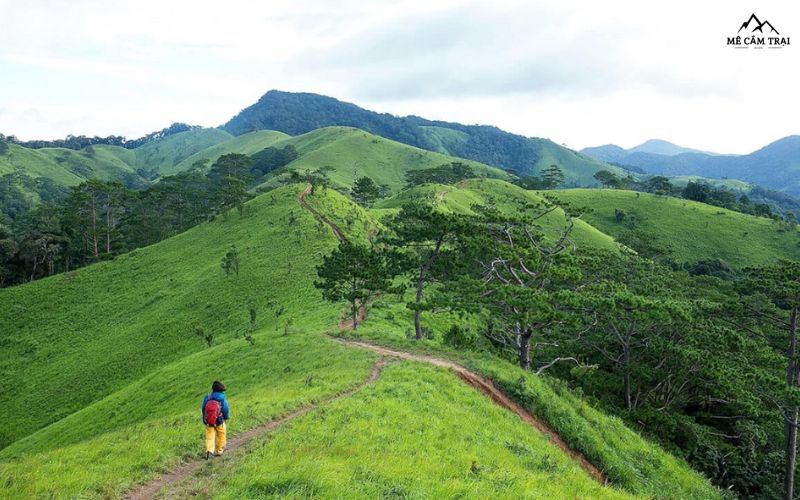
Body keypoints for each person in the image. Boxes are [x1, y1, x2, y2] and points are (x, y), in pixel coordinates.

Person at [201, 380, 230, 459]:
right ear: (221, 390)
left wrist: (204, 418)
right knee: (221, 435)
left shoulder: (208, 397)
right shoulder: (222, 398)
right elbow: (225, 409)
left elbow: (203, 408)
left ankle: (209, 451)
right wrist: (226, 417)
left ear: (213, 389)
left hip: (209, 420)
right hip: (219, 420)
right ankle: (219, 450)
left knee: (209, 436)